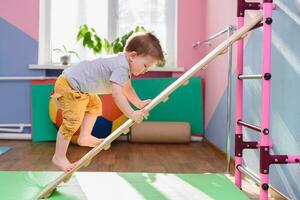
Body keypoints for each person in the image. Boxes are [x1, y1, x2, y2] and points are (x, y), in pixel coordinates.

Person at [51, 32, 164, 172]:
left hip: (81, 89)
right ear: (133, 56)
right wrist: (131, 113)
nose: (146, 70)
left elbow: (127, 89)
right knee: (72, 122)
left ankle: (84, 136)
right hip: (69, 86)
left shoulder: (123, 64)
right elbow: (117, 95)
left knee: (95, 105)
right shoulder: (121, 66)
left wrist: (139, 104)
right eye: (146, 65)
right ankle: (59, 156)